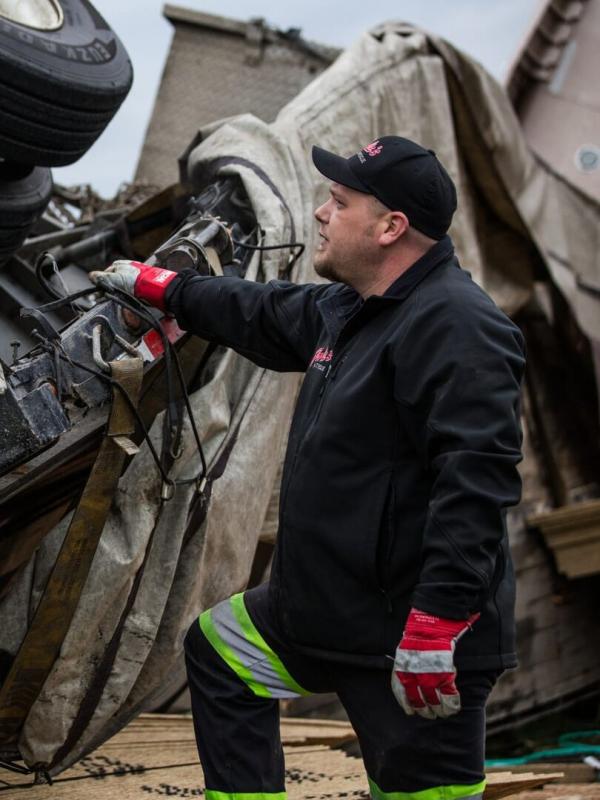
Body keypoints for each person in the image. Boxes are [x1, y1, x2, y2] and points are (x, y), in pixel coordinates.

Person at [90, 136, 525, 800]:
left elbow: (477, 482)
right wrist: (167, 289)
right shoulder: (348, 309)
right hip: (320, 616)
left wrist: (437, 622)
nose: (322, 213)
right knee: (220, 653)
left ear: (390, 227)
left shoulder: (459, 327)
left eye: (339, 202)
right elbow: (258, 313)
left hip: (407, 639)